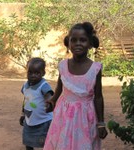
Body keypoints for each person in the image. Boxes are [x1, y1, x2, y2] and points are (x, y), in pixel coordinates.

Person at [44, 22, 108, 150]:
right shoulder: (63, 65)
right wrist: (53, 100)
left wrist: (100, 123)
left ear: (90, 44)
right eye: (74, 40)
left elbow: (98, 97)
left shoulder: (95, 69)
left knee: (83, 144)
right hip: (64, 114)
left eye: (83, 40)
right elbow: (60, 87)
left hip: (85, 116)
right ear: (68, 43)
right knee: (62, 142)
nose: (78, 43)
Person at [19, 57, 54, 150]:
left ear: (43, 73)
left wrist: (49, 103)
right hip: (29, 118)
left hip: (44, 120)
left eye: (37, 73)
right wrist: (23, 114)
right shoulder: (25, 85)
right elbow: (26, 99)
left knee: (45, 141)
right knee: (27, 140)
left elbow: (49, 97)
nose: (33, 75)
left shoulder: (43, 85)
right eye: (30, 72)